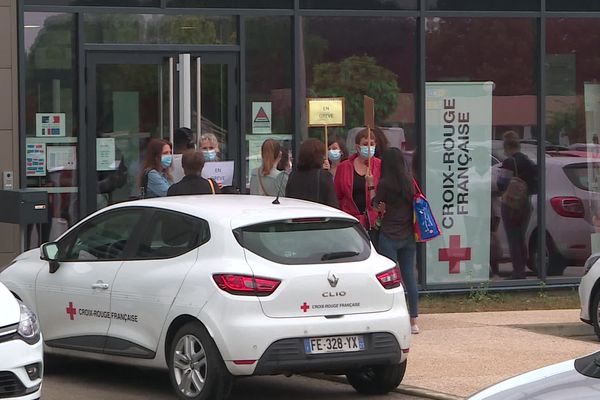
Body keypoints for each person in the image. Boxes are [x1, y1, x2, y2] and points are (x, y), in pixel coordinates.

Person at [371, 148, 419, 334]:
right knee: (409, 277)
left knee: (390, 279)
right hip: (407, 235)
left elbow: (377, 205)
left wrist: (375, 198)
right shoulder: (410, 182)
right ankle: (413, 320)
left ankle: (391, 314)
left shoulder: (384, 183)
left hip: (389, 235)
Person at [497, 130, 537, 279]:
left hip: (510, 204)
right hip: (525, 203)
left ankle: (518, 270)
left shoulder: (509, 162)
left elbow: (501, 184)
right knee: (521, 236)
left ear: (506, 146)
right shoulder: (529, 162)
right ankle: (522, 267)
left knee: (513, 238)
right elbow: (535, 184)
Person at [334, 128, 381, 231]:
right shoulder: (344, 167)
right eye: (365, 144)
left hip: (373, 222)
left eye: (372, 144)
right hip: (350, 221)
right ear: (357, 147)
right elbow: (337, 195)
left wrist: (371, 184)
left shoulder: (380, 165)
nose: (369, 147)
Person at [285, 138, 338, 207]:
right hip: (318, 215)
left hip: (297, 215)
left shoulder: (293, 176)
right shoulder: (324, 176)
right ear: (319, 156)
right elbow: (332, 204)